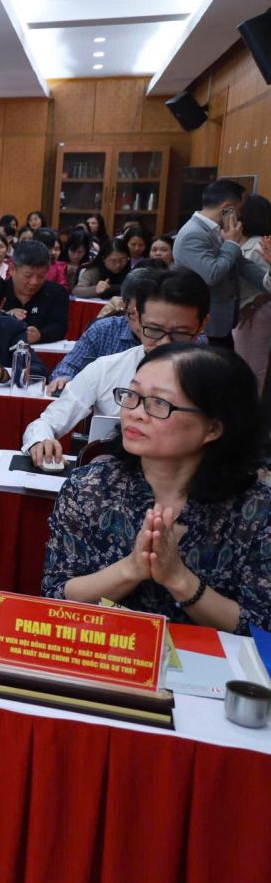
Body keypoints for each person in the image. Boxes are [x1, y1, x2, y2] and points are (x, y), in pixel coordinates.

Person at [42, 344, 271, 633]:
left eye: (159, 403)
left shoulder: (256, 510)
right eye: (132, 395)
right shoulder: (89, 488)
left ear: (213, 428)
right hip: (105, 653)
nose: (135, 413)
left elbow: (262, 628)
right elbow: (55, 594)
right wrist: (131, 569)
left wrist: (178, 578)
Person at [25, 268, 211, 467]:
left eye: (180, 333)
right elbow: (46, 423)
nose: (165, 343)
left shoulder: (215, 379)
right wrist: (41, 441)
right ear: (137, 318)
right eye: (154, 330)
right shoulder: (107, 369)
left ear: (202, 325)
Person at [172, 179, 262, 349]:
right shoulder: (193, 233)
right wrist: (231, 243)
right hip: (204, 323)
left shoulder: (217, 229)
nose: (240, 216)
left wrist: (267, 281)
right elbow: (212, 275)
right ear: (227, 207)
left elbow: (241, 264)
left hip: (222, 321)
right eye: (239, 209)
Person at [233, 194, 271, 391]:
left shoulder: (259, 245)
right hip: (245, 309)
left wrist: (255, 303)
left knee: (251, 367)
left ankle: (249, 408)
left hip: (256, 311)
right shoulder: (242, 242)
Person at [1, 239, 70, 344]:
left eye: (41, 276)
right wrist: (3, 317)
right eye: (28, 275)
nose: (34, 282)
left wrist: (40, 335)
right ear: (12, 269)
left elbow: (60, 327)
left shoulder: (57, 293)